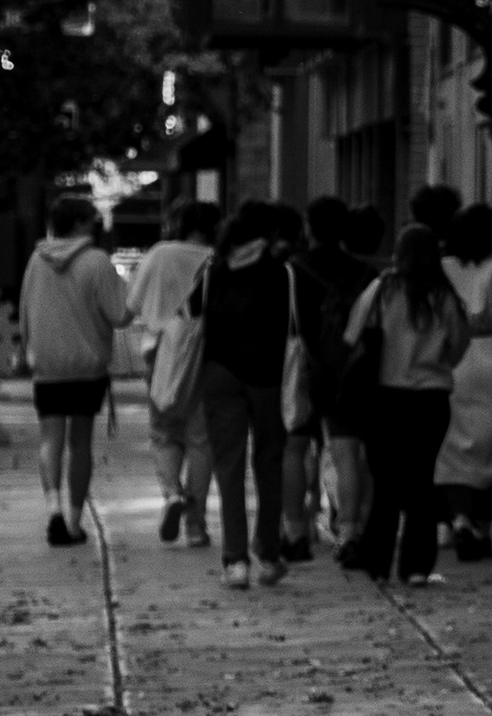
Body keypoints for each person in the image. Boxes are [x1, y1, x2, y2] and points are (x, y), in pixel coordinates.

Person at [339, 224, 471, 585]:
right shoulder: (444, 295)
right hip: (430, 398)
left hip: (385, 397)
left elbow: (352, 333)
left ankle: (378, 562)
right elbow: (459, 344)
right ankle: (416, 566)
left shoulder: (382, 289)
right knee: (421, 482)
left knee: (385, 483)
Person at [193, 201, 304, 588]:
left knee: (229, 467)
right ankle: (268, 554)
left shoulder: (214, 272)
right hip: (269, 377)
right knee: (269, 463)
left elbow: (193, 314)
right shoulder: (281, 273)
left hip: (219, 373)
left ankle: (235, 561)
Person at [17, 195, 129, 547]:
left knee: (50, 439)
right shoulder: (96, 261)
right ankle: (75, 521)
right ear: (80, 222)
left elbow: (24, 311)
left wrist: (31, 349)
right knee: (80, 444)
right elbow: (119, 314)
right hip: (87, 368)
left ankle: (53, 510)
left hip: (47, 366)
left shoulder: (36, 260)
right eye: (91, 218)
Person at [434, 201, 492, 561]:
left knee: (453, 451)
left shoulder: (443, 269)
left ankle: (459, 518)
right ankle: (483, 528)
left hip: (453, 363)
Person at [131, 197, 220, 547]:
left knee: (165, 432)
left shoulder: (159, 254)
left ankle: (171, 495)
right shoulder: (216, 258)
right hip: (206, 357)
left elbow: (133, 305)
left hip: (162, 356)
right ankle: (196, 525)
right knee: (201, 440)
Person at [299, 198, 380, 547]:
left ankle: (306, 516)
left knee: (307, 446)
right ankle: (356, 523)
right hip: (360, 369)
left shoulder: (295, 269)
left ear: (309, 227)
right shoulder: (367, 274)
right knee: (359, 454)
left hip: (312, 369)